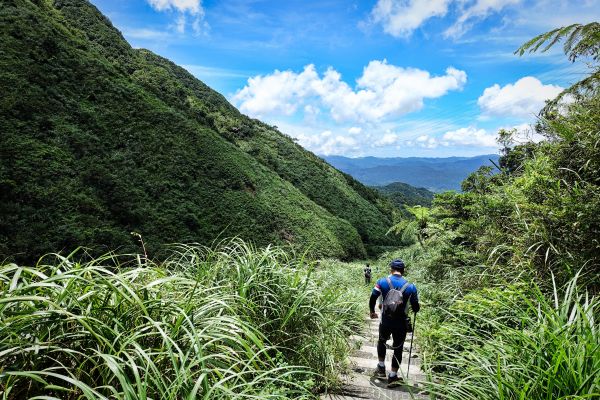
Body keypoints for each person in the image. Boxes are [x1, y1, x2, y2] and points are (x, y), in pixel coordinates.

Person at [369, 259, 420, 388]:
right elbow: (415, 306)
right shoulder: (411, 286)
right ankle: (392, 376)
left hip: (385, 320)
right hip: (401, 323)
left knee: (382, 341)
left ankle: (381, 369)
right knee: (398, 347)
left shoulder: (382, 281)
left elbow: (373, 297)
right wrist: (415, 307)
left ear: (391, 269)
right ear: (403, 271)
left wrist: (372, 311)